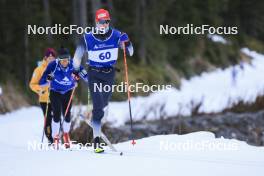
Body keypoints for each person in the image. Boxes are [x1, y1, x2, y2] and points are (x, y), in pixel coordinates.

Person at [72, 9, 134, 153]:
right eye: (101, 22)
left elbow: (130, 51)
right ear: (96, 22)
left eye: (106, 22)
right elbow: (76, 58)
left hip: (109, 75)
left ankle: (95, 117)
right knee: (99, 107)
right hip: (94, 74)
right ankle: (96, 141)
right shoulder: (87, 38)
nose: (103, 25)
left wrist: (127, 41)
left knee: (103, 104)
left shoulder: (116, 35)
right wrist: (77, 71)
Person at [39, 47, 87, 149]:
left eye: (67, 60)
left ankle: (66, 134)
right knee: (56, 114)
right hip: (55, 92)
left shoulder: (74, 64)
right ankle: (55, 137)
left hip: (68, 91)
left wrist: (79, 76)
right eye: (62, 61)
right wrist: (48, 78)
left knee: (67, 114)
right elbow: (41, 82)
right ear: (59, 60)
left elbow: (86, 76)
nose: (65, 62)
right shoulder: (53, 65)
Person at [29, 48, 56, 144]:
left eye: (53, 58)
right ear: (45, 58)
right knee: (48, 118)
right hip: (45, 99)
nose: (51, 59)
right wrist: (40, 89)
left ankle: (57, 138)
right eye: (49, 57)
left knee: (56, 118)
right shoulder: (39, 69)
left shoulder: (57, 68)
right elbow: (32, 84)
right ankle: (50, 138)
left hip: (56, 98)